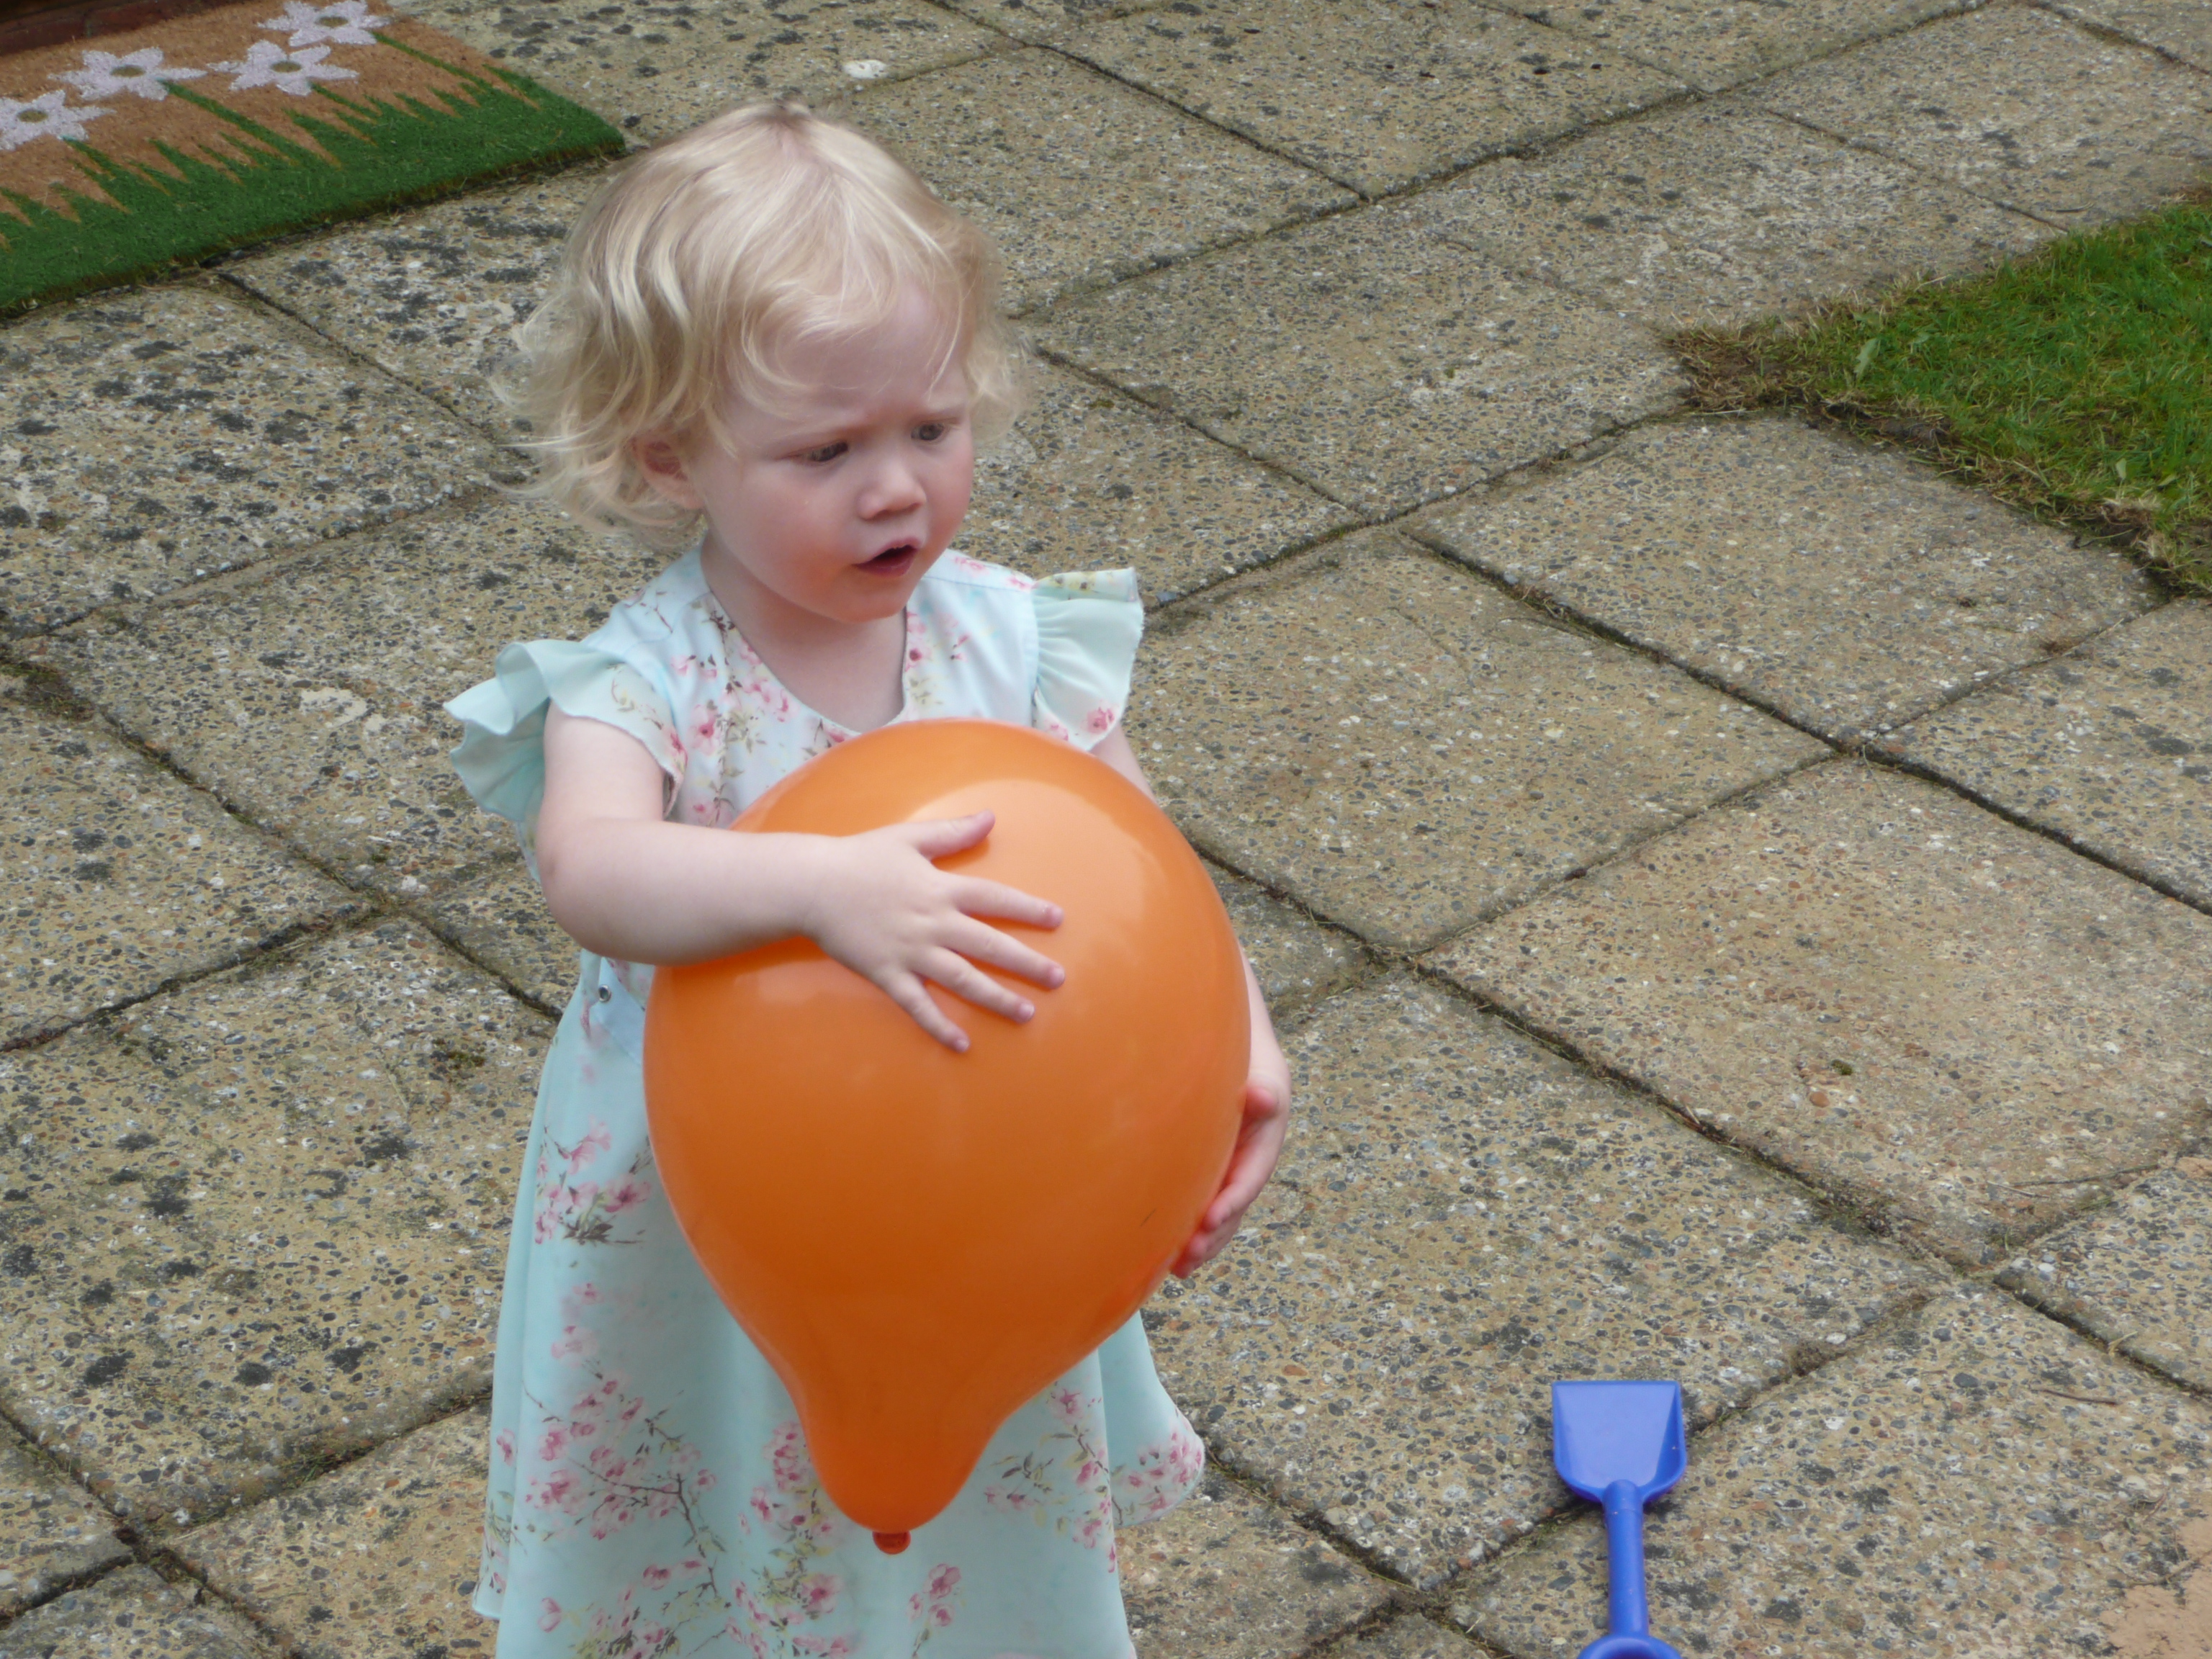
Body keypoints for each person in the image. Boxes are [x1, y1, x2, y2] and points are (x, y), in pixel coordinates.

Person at [444, 99, 1292, 1659]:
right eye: (826, 451)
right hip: (720, 1216)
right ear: (670, 454)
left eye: (931, 427)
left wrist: (1243, 1037)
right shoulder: (645, 680)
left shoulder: (1007, 638)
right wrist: (816, 888)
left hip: (990, 1194)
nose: (895, 487)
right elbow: (591, 866)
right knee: (725, 1478)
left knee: (964, 1472)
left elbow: (1145, 864)